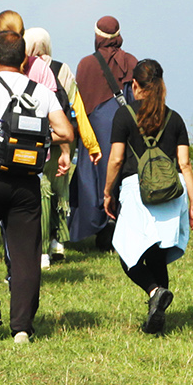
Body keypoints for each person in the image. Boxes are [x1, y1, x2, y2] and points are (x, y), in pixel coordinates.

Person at [0, 30, 74, 343]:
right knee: (25, 255)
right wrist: (39, 137)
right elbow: (66, 131)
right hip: (26, 182)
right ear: (25, 60)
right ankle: (21, 328)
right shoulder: (41, 91)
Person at [100, 58, 193, 334]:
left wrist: (107, 192)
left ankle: (154, 290)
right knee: (157, 255)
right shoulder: (175, 118)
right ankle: (157, 320)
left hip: (137, 191)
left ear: (135, 85)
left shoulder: (123, 115)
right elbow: (185, 164)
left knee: (126, 252)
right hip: (171, 192)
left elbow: (116, 159)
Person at [24, 27, 101, 267]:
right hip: (63, 137)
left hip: (35, 137)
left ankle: (43, 249)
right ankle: (59, 241)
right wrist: (85, 143)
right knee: (60, 191)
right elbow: (74, 106)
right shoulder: (61, 68)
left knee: (43, 191)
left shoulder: (25, 68)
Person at [70, 16, 137, 246]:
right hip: (125, 127)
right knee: (123, 175)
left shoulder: (86, 64)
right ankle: (121, 228)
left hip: (95, 131)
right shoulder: (131, 62)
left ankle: (99, 229)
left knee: (94, 178)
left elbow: (80, 106)